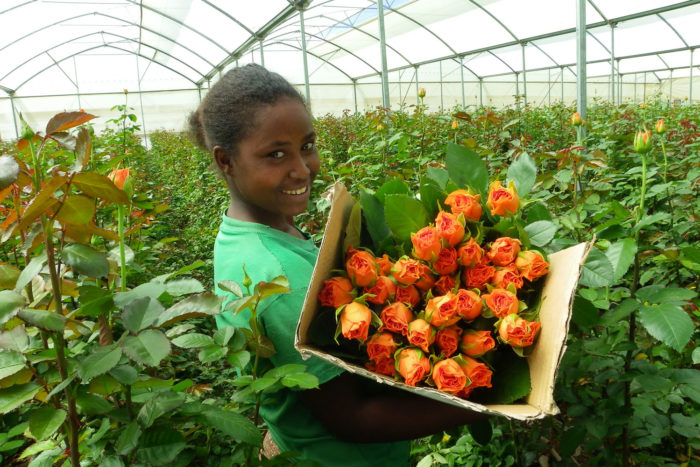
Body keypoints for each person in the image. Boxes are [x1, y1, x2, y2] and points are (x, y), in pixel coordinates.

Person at [188, 63, 487, 466]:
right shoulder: (280, 280)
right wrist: (481, 401)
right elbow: (353, 419)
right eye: (276, 154)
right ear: (226, 161)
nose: (302, 169)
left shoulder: (247, 234)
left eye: (307, 145)